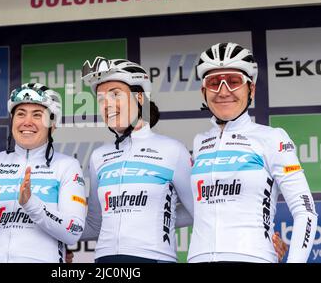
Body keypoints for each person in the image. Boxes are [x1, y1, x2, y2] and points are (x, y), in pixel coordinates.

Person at [188, 42, 318, 263]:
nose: (223, 91)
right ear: (204, 92)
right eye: (213, 83)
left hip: (253, 257)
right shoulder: (200, 142)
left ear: (252, 89)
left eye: (233, 81)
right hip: (198, 259)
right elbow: (189, 207)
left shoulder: (273, 138)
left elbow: (305, 211)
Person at [79, 57, 194, 263]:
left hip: (156, 257)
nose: (108, 104)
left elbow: (199, 210)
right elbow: (95, 225)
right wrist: (37, 223)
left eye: (115, 94)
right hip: (105, 261)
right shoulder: (98, 156)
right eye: (101, 98)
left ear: (139, 97)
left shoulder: (172, 150)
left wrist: (162, 218)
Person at [0, 83, 87, 263]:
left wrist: (31, 204)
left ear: (52, 124)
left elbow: (73, 231)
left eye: (37, 115)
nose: (27, 122)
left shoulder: (67, 166)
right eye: (20, 114)